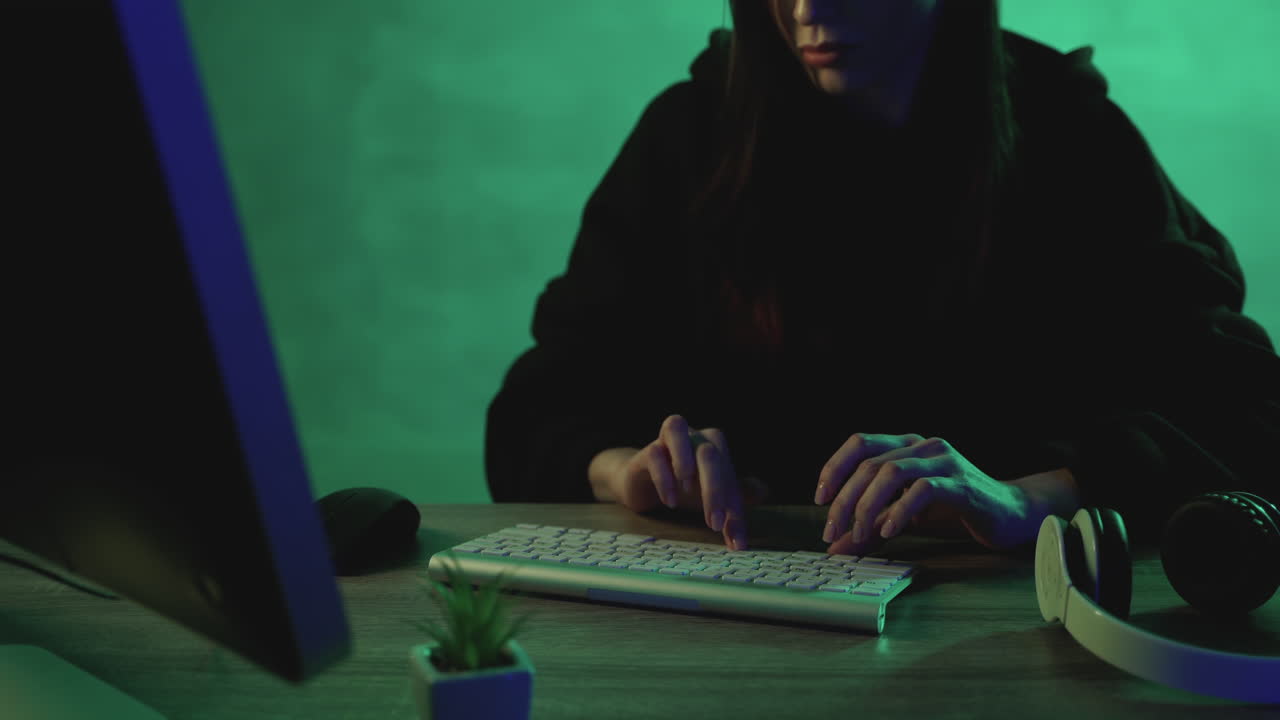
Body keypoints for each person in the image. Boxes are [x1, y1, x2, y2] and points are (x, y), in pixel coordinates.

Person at [485, 0, 1280, 556]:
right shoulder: (690, 135)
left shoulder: (1067, 135)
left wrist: (1027, 499)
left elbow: (1246, 408)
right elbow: (538, 405)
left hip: (1006, 631)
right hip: (739, 619)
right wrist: (626, 467)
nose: (807, 7)